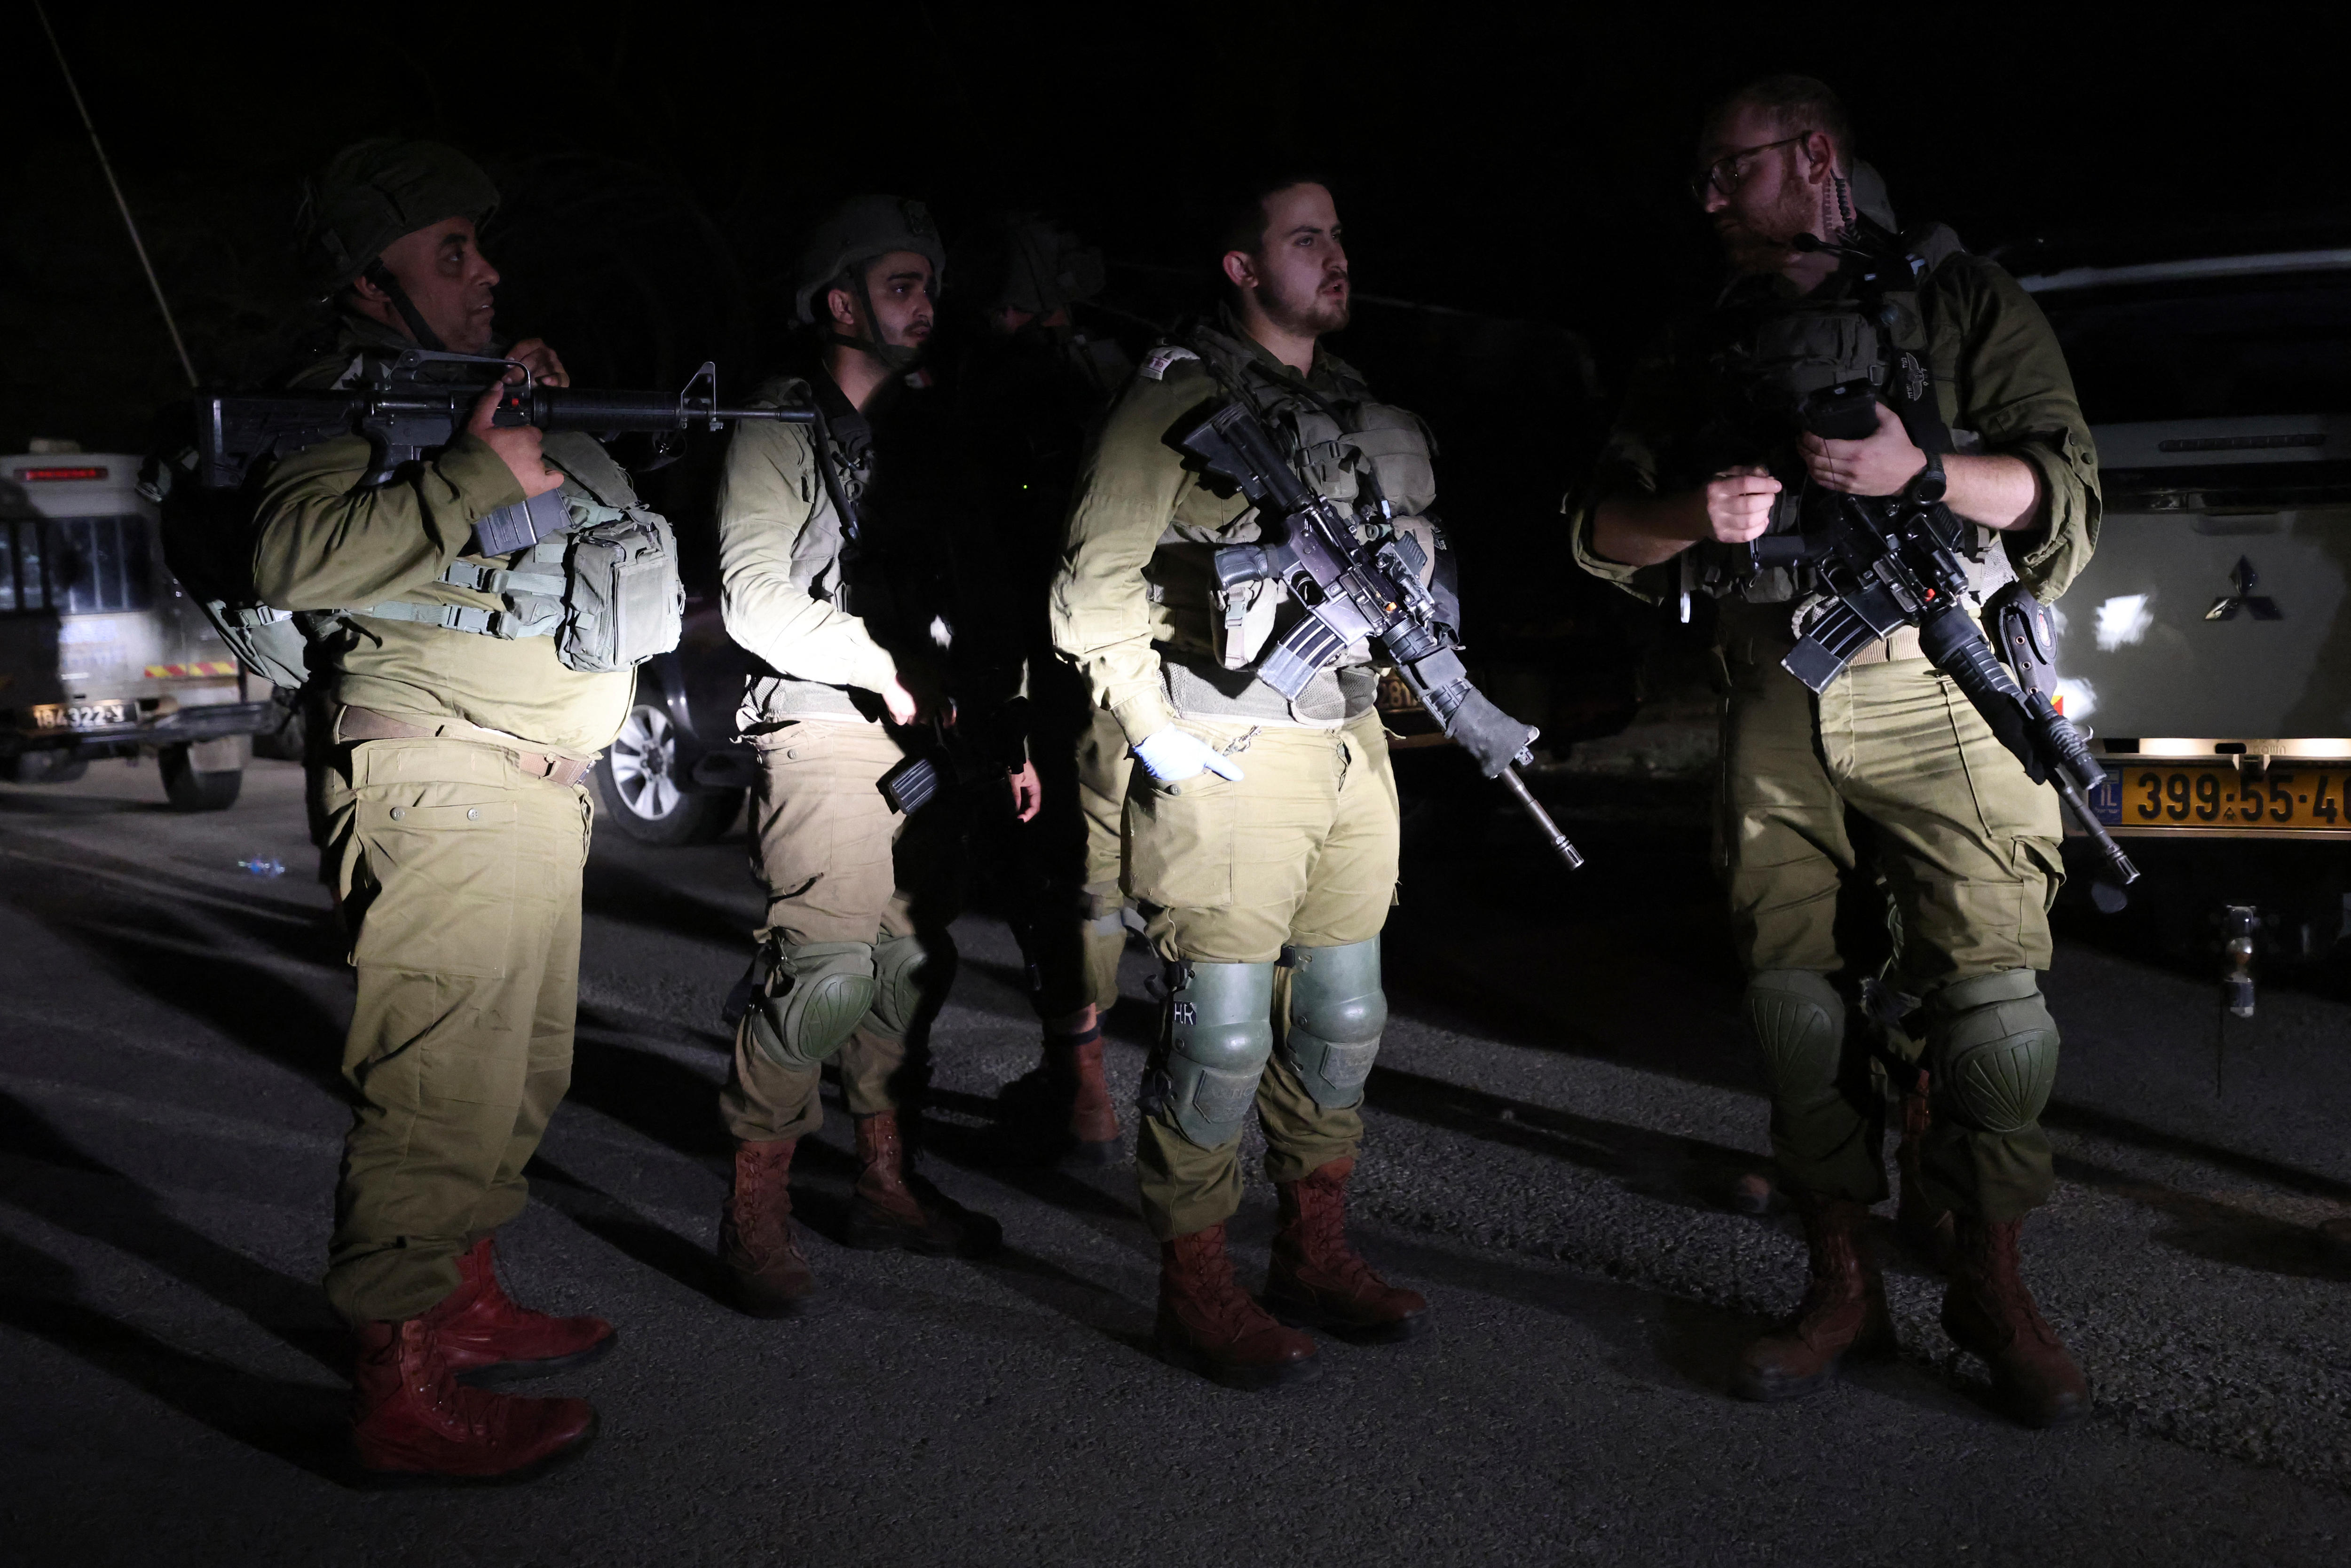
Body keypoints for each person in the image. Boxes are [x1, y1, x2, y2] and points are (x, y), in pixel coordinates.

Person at [1574, 76, 2103, 1427]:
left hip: (1940, 681)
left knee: (1993, 1011)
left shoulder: (1964, 301)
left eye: (1731, 167)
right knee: (1794, 1004)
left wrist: (1921, 474)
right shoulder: (1702, 333)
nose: (1708, 196)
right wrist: (1693, 512)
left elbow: (2063, 494)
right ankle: (1840, 1282)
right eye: (1702, 175)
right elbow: (1601, 531)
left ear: (1814, 154)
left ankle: (1989, 1285)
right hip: (1773, 687)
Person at [253, 138, 679, 1479]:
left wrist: (511, 422)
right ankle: (398, 1388)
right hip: (440, 784)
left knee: (516, 1074)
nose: (485, 271)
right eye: (451, 253)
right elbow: (289, 553)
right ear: (370, 284)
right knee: (438, 1087)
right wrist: (477, 470)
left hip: (524, 789)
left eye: (481, 247)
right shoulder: (341, 400)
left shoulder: (454, 399)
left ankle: (460, 1304)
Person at [1051, 175, 1438, 1389]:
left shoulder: (1352, 404)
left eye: (1339, 234)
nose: (1335, 255)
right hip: (1227, 745)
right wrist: (1154, 733)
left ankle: (1311, 1252)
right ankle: (1196, 1283)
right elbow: (1089, 590)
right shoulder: (1174, 396)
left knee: (1344, 1013)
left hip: (1349, 743)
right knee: (1219, 1033)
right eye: (1305, 238)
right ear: (1241, 266)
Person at [714, 196, 1030, 1316]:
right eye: (900, 285)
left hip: (921, 735)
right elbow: (754, 597)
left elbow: (974, 588)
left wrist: (1002, 725)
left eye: (927, 285)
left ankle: (885, 1182)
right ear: (838, 303)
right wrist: (881, 665)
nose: (924, 304)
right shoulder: (780, 419)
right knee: (823, 970)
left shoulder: (924, 428)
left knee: (905, 965)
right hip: (823, 722)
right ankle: (755, 1205)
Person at [950, 213, 1135, 1163]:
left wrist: (1000, 713)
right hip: (1132, 672)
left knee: (1058, 876)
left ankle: (1084, 1088)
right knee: (1107, 877)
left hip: (1055, 673)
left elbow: (996, 564)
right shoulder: (1120, 378)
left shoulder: (1006, 389)